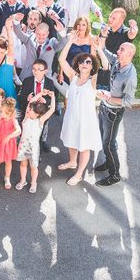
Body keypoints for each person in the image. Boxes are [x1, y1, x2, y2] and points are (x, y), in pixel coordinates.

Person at [57, 32, 105, 185]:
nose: (85, 63)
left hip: (86, 120)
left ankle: (79, 174)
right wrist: (70, 41)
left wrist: (96, 49)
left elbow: (105, 65)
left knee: (84, 146)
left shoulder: (93, 79)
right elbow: (61, 59)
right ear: (78, 64)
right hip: (72, 116)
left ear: (92, 66)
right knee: (71, 140)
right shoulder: (73, 76)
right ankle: (72, 162)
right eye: (82, 61)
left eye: (88, 62)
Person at [94, 40, 137, 186]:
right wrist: (100, 47)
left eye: (122, 49)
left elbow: (128, 101)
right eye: (119, 48)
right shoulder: (118, 61)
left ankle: (115, 175)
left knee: (108, 144)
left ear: (130, 54)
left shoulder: (130, 76)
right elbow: (109, 55)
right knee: (104, 138)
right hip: (104, 107)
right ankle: (108, 162)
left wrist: (107, 97)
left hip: (113, 113)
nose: (118, 51)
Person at [15, 91, 56, 194]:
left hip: (33, 148)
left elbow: (51, 110)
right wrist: (40, 93)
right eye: (29, 109)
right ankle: (23, 180)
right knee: (23, 164)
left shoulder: (40, 121)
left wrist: (53, 97)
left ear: (37, 114)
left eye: (31, 110)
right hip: (23, 145)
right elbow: (30, 102)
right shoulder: (26, 118)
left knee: (34, 167)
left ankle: (34, 182)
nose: (28, 110)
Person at [17, 59, 56, 151]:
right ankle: (25, 144)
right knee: (28, 130)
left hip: (43, 112)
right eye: (34, 69)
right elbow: (20, 96)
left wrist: (46, 100)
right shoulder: (27, 81)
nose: (36, 71)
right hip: (29, 112)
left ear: (45, 71)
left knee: (42, 128)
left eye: (39, 69)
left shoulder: (49, 82)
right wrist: (27, 98)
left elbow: (54, 97)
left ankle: (42, 142)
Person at [97, 8, 138, 88]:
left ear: (121, 21)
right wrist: (102, 36)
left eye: (114, 18)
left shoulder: (125, 32)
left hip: (117, 70)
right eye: (110, 17)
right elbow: (100, 48)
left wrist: (134, 29)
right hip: (104, 67)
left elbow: (132, 34)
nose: (110, 20)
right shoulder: (106, 30)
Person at [0, 98, 21, 190]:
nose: (0, 113)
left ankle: (7, 178)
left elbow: (19, 130)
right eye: (0, 111)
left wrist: (9, 136)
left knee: (8, 162)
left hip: (9, 143)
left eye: (1, 111)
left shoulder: (13, 120)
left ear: (9, 113)